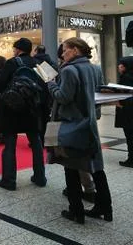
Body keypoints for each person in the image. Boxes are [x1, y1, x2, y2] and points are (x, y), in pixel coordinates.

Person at [48, 37, 112, 224]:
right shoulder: (95, 69)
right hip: (90, 124)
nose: (62, 53)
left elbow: (63, 97)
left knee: (71, 167)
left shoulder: (68, 70)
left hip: (72, 126)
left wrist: (50, 83)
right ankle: (105, 208)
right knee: (96, 167)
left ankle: (76, 211)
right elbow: (99, 96)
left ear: (76, 50)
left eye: (66, 49)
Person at [0, 38, 46, 191]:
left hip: (12, 108)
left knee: (10, 143)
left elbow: (0, 84)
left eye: (14, 48)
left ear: (18, 49)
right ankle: (40, 177)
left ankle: (9, 180)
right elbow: (46, 84)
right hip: (32, 108)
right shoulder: (38, 63)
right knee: (36, 143)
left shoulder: (12, 63)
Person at [114, 56, 133, 167]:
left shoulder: (125, 78)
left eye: (121, 65)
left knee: (130, 136)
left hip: (127, 112)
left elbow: (124, 95)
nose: (119, 67)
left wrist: (118, 103)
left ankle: (131, 159)